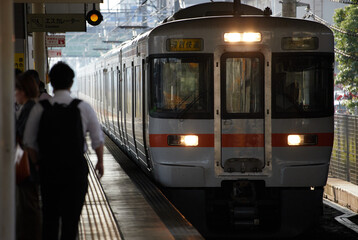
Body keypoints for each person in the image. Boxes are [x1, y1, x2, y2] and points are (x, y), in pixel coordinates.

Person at [23, 61, 104, 240]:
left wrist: (38, 165)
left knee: (50, 220)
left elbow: (29, 143)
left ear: (51, 82)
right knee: (71, 221)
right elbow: (97, 140)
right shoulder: (83, 107)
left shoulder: (39, 108)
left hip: (48, 171)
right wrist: (100, 162)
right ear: (71, 82)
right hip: (75, 172)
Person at [15, 73, 42, 240]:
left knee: (30, 207)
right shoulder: (30, 107)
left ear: (23, 91)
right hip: (28, 165)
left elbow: (28, 141)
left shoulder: (31, 109)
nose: (14, 93)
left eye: (16, 90)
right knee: (27, 206)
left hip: (28, 166)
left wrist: (36, 164)